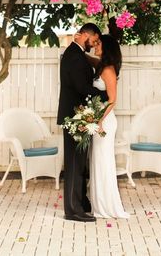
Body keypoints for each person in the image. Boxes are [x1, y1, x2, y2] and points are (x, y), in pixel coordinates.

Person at [56, 23, 105, 222]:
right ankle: (72, 210)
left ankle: (81, 203)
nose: (93, 45)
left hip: (79, 116)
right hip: (74, 117)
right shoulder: (74, 55)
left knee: (80, 164)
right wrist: (105, 94)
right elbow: (82, 88)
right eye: (92, 41)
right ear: (85, 35)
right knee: (75, 164)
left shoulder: (76, 53)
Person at [89, 34, 130, 219]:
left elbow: (112, 100)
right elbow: (88, 57)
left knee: (103, 161)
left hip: (105, 120)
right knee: (97, 161)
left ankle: (106, 206)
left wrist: (98, 119)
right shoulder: (101, 67)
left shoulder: (108, 70)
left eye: (98, 44)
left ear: (107, 48)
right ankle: (99, 204)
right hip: (100, 119)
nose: (95, 46)